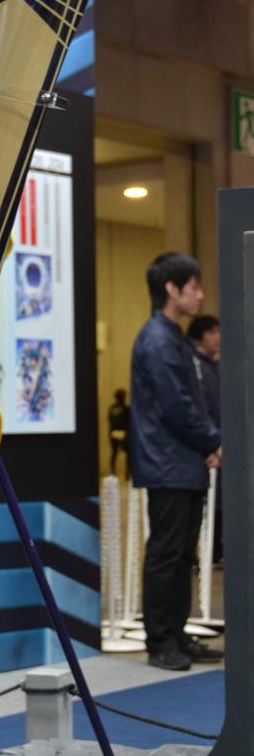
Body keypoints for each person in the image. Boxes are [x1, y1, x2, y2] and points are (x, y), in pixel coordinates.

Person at [130, 252, 223, 671]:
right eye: (194, 287)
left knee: (183, 554)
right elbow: (177, 406)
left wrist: (207, 443)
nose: (200, 295)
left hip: (182, 462)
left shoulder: (173, 337)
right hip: (167, 463)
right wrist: (212, 441)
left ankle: (177, 634)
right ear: (172, 288)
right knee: (166, 555)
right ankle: (160, 641)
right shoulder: (158, 339)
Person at [187, 314, 222, 563]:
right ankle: (198, 554)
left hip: (218, 445)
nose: (217, 337)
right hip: (204, 449)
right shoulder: (195, 366)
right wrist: (211, 443)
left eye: (218, 331)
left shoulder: (216, 366)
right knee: (203, 504)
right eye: (211, 332)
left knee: (219, 502)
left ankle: (216, 551)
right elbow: (201, 409)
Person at [107, 387, 130, 477]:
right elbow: (129, 421)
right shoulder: (125, 408)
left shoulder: (111, 408)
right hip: (123, 433)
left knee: (114, 453)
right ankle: (128, 473)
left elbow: (110, 420)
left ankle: (112, 472)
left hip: (113, 433)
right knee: (128, 453)